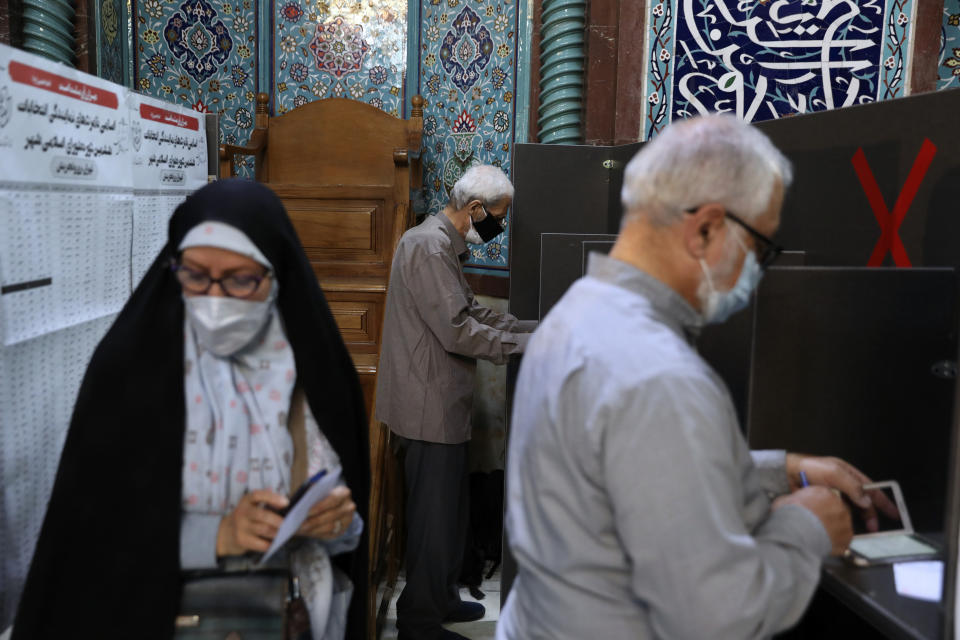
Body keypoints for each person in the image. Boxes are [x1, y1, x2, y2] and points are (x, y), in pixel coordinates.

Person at [499, 115, 882, 639]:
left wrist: (779, 470)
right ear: (705, 228)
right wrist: (807, 526)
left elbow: (625, 473)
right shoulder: (660, 377)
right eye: (760, 248)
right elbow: (721, 615)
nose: (757, 269)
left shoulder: (575, 315)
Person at [12, 180, 370, 639]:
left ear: (276, 275)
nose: (215, 299)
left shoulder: (315, 372)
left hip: (293, 617)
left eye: (241, 280)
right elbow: (91, 536)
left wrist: (340, 522)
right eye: (195, 275)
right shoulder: (128, 372)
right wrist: (219, 535)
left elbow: (347, 537)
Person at [376, 165, 536, 640]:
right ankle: (419, 621)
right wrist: (531, 346)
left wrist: (532, 329)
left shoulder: (441, 244)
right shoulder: (428, 246)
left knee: (450, 511)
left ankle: (441, 594)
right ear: (475, 209)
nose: (499, 226)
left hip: (440, 401)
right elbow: (457, 331)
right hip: (427, 405)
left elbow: (472, 311)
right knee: (432, 516)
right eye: (498, 217)